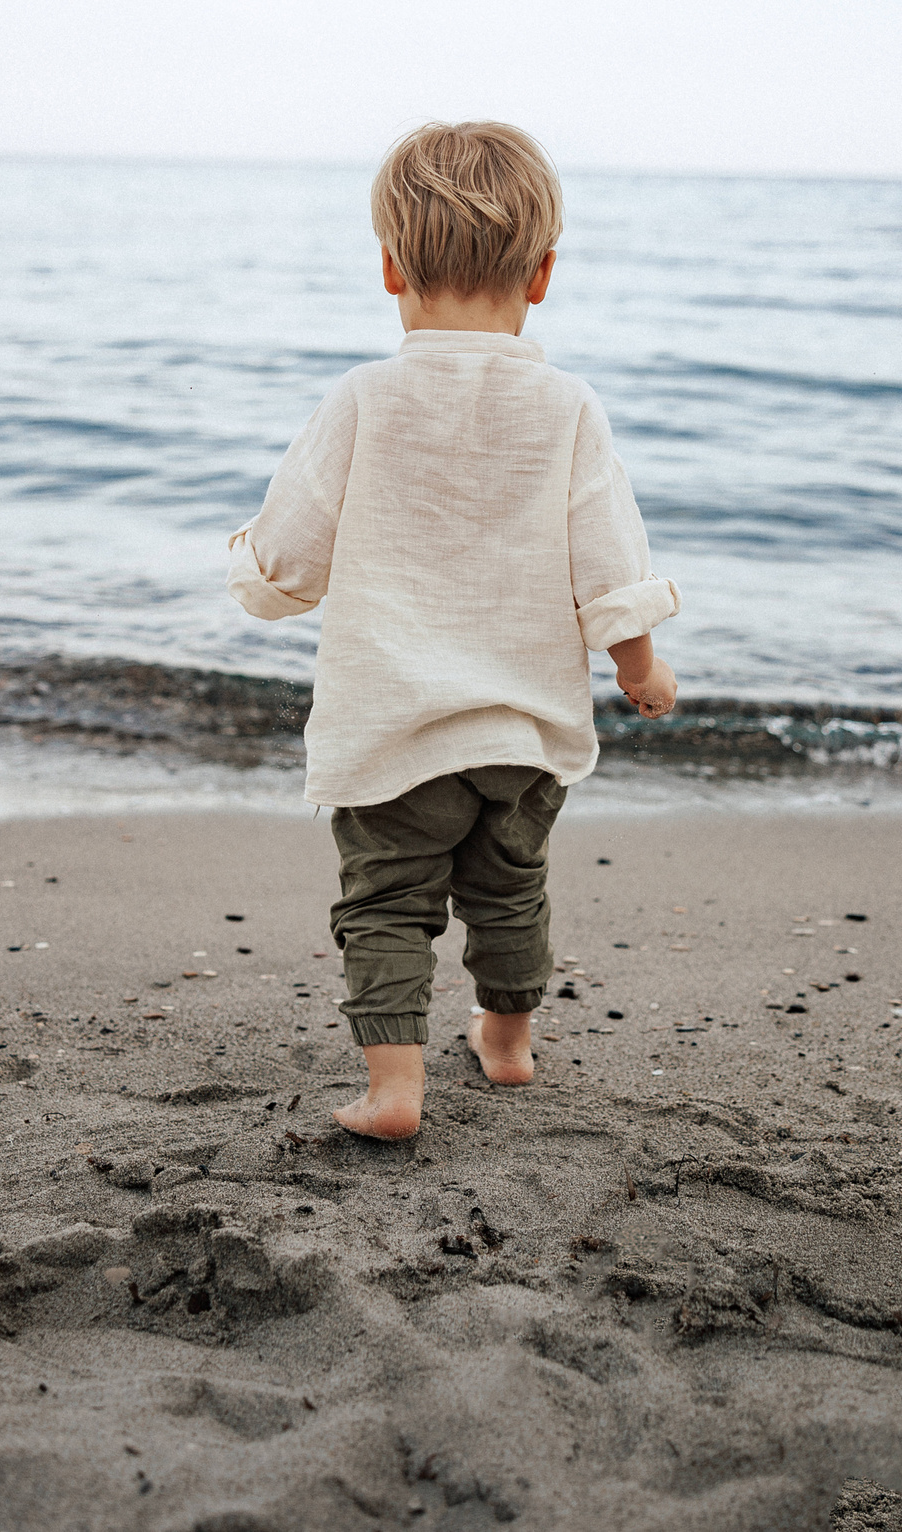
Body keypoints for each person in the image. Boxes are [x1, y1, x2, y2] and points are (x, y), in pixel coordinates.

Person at [227, 121, 680, 1141]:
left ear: (390, 268)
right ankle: (507, 1044)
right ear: (544, 274)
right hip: (522, 734)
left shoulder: (364, 399)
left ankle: (394, 1089)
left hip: (390, 730)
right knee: (510, 894)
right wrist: (641, 669)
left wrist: (252, 573)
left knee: (386, 904)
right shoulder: (568, 407)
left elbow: (288, 557)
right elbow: (609, 561)